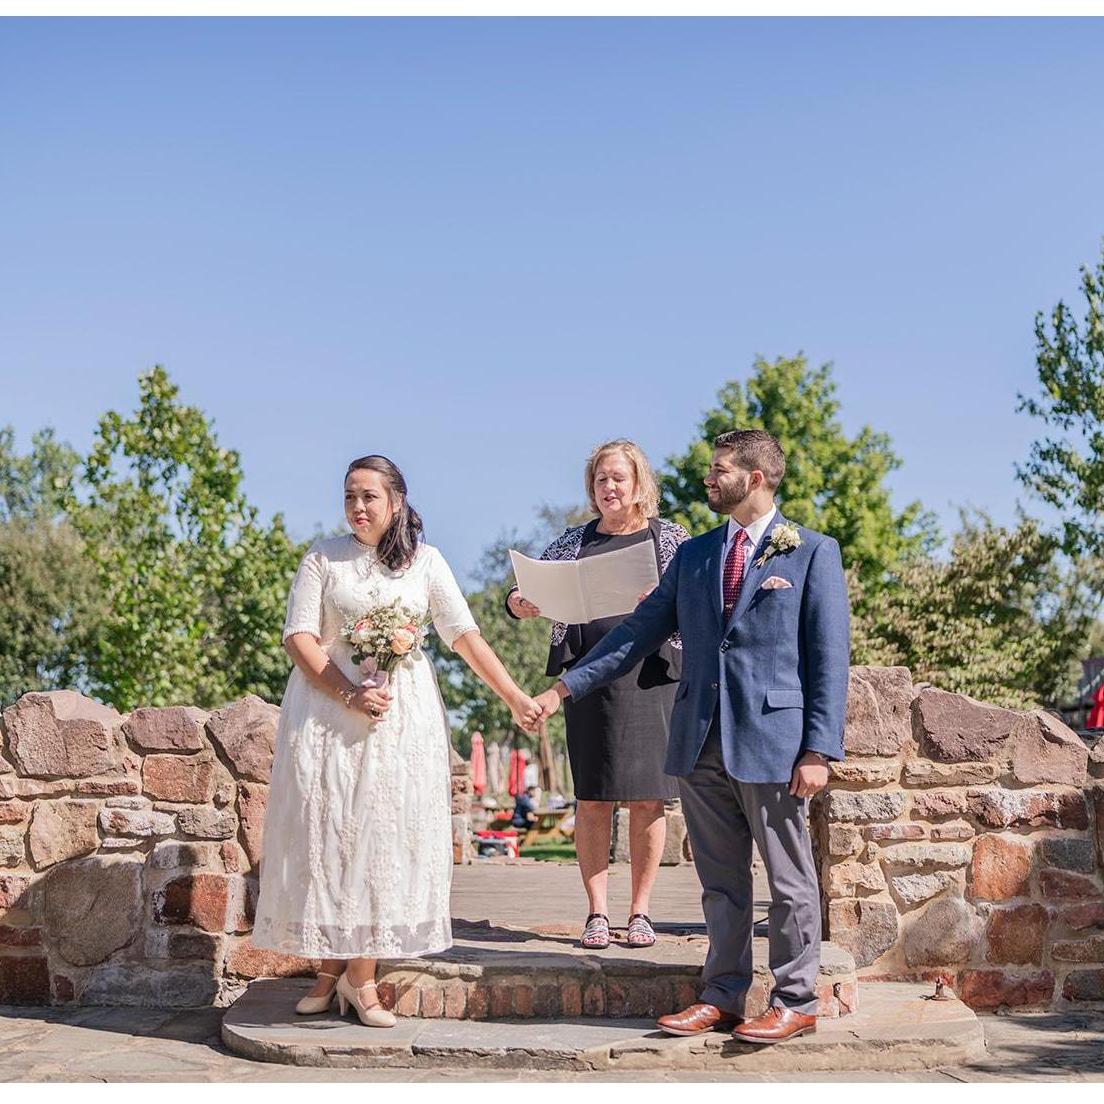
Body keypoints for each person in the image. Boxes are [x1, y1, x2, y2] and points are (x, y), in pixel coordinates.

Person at [527, 429, 849, 1044]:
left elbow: (829, 659)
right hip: (699, 741)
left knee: (789, 882)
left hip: (775, 744)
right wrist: (563, 689)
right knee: (721, 883)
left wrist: (818, 748)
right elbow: (634, 636)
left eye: (720, 469)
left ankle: (795, 999)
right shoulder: (695, 556)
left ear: (755, 478)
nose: (709, 478)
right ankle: (722, 994)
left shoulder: (811, 551)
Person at [252, 455, 540, 1028]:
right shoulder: (323, 558)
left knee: (380, 834)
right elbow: (299, 637)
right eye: (349, 496)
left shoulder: (426, 562)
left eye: (369, 497)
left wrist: (513, 695)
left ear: (396, 502)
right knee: (329, 833)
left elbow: (465, 637)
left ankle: (360, 979)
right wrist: (348, 693)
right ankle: (332, 969)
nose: (357, 507)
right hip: (327, 716)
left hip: (400, 720)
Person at [507, 439, 690, 949]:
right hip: (587, 681)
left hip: (653, 678)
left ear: (639, 484)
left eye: (618, 478)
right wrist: (519, 601)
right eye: (600, 479)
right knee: (591, 798)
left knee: (649, 800)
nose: (609, 487)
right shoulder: (573, 540)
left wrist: (666, 600)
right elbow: (526, 586)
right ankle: (597, 913)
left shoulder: (670, 538)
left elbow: (697, 598)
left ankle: (640, 912)